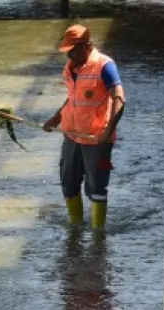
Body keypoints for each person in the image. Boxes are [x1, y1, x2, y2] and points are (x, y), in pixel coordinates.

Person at [42, 24, 126, 229]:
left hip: (96, 139)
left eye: (73, 49)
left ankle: (98, 236)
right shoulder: (70, 68)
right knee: (68, 184)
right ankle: (76, 228)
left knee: (96, 186)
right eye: (67, 50)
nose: (69, 54)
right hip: (71, 135)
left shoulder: (105, 65)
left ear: (86, 46)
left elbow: (119, 99)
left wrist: (106, 133)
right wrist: (56, 117)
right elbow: (73, 98)